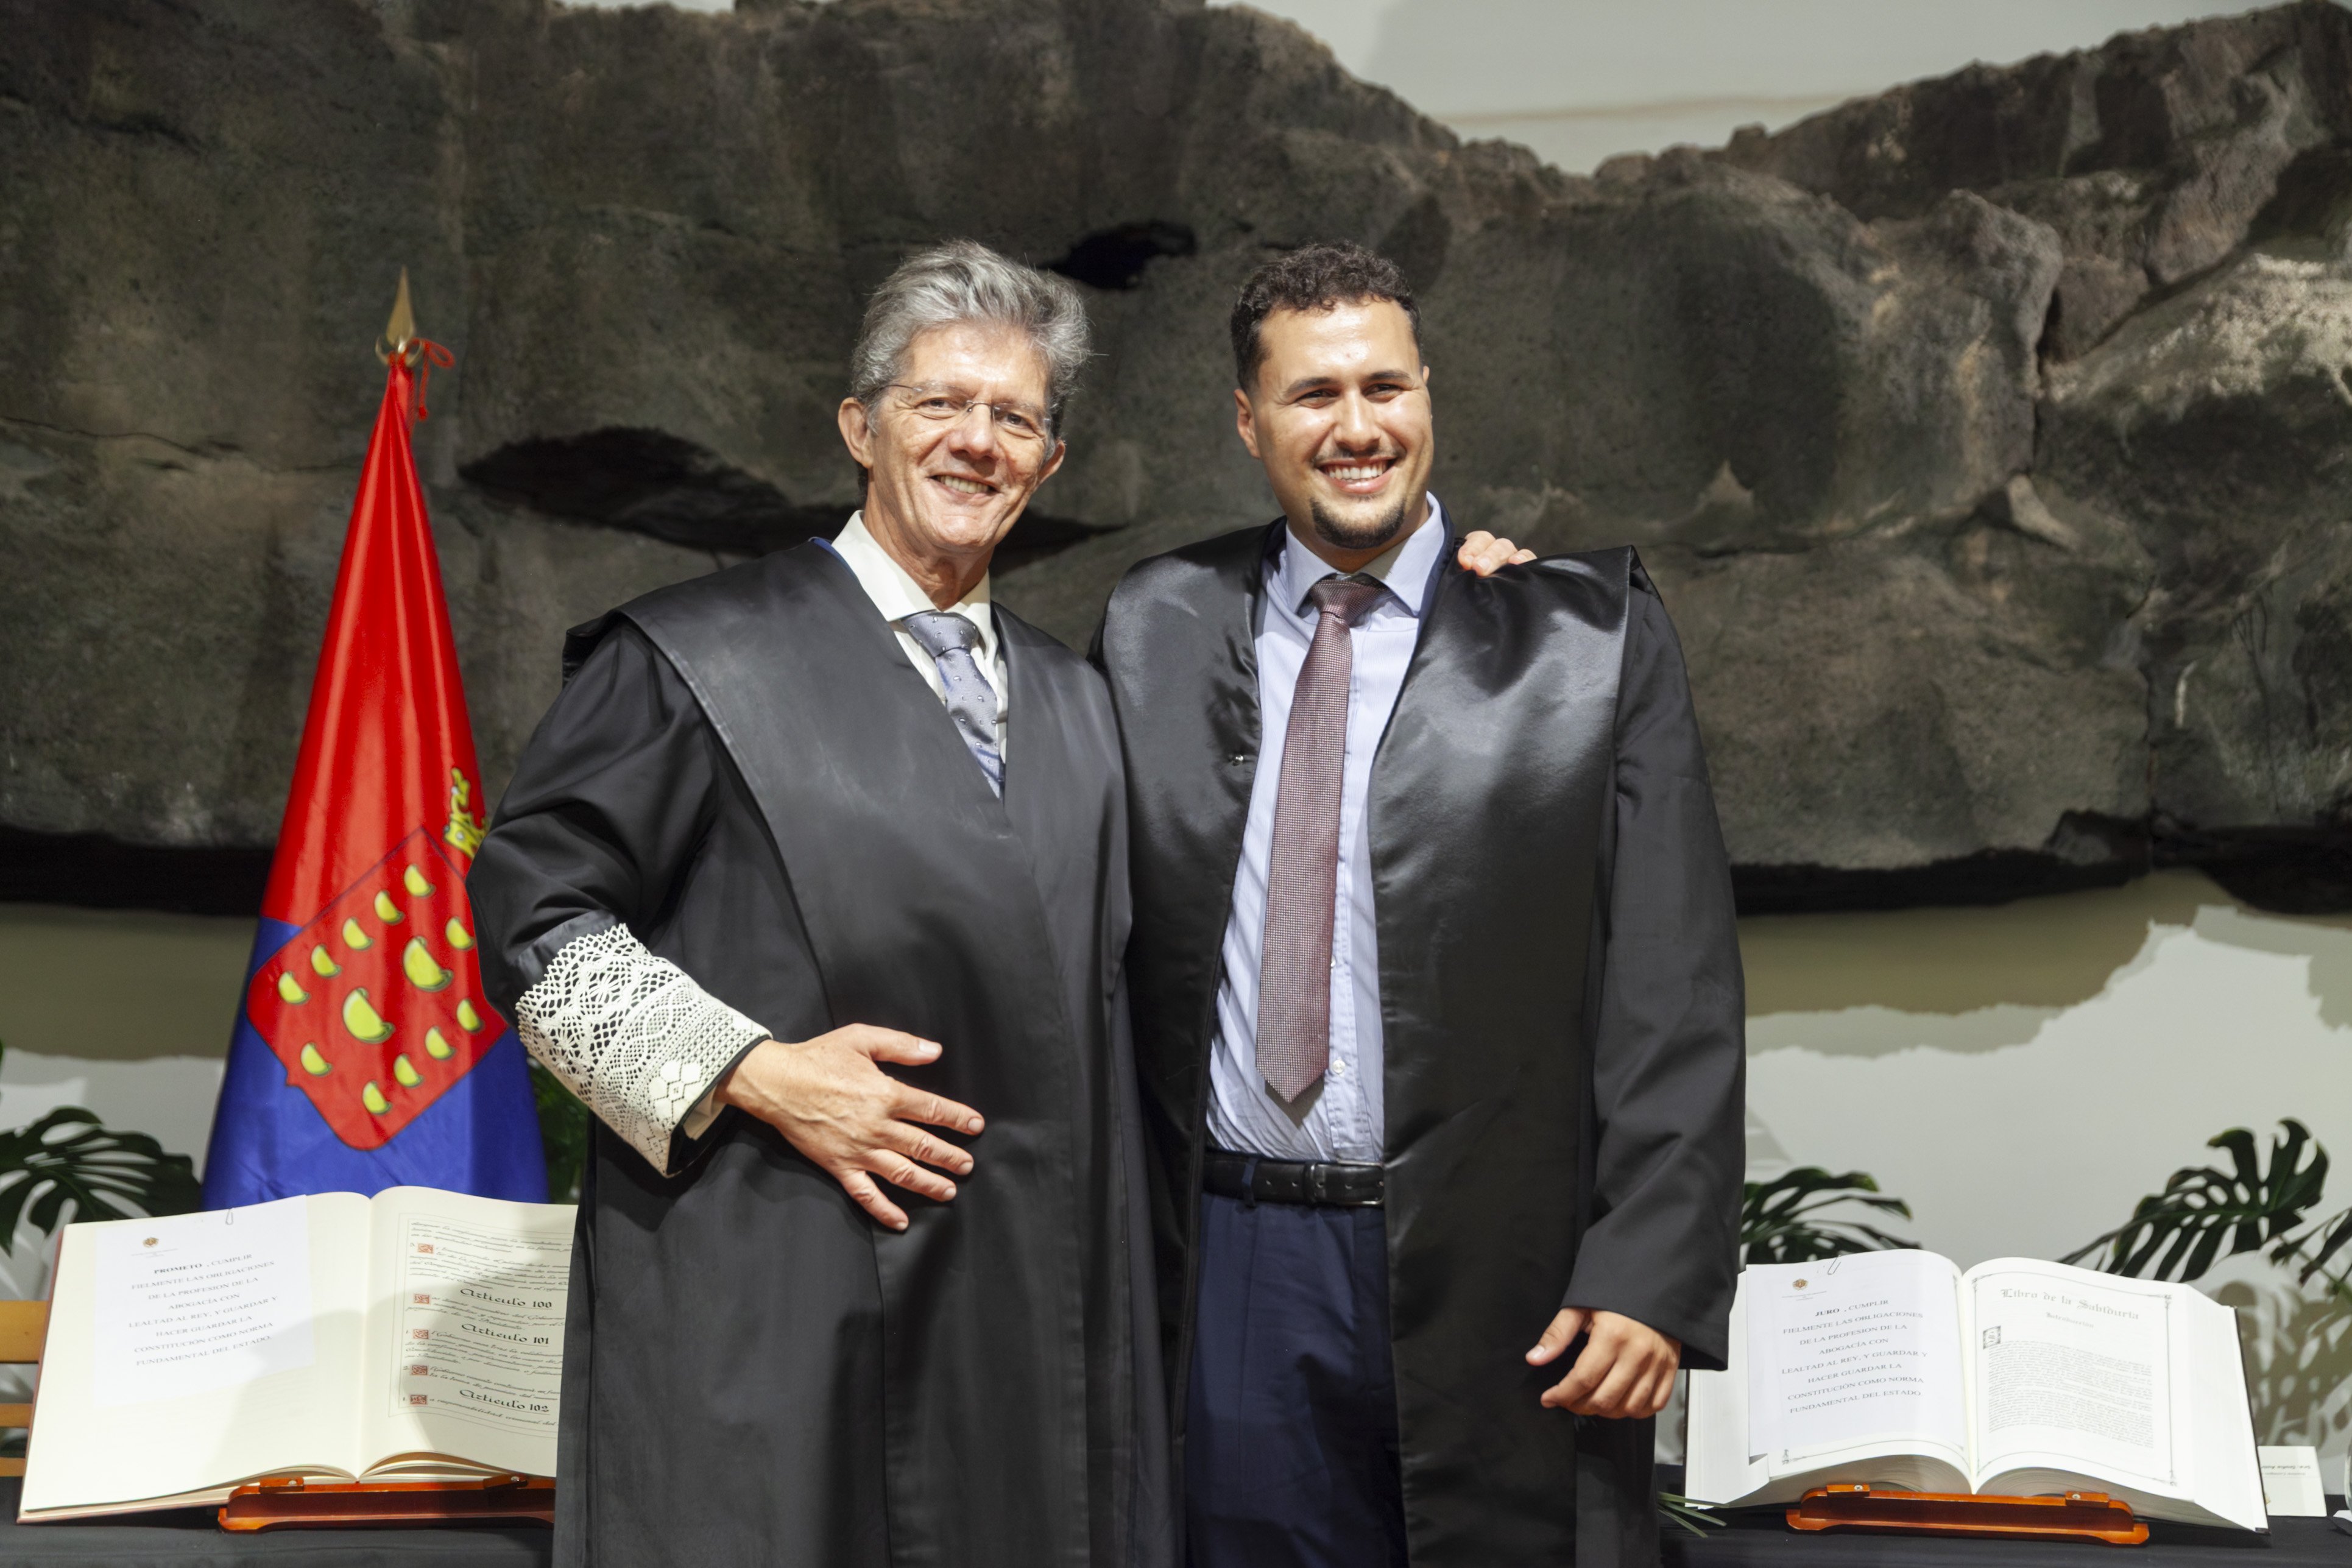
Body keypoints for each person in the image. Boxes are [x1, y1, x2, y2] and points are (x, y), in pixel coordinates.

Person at [470, 241, 1170, 1568]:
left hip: (1022, 1327)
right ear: (860, 427)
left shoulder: (1080, 706)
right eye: (938, 404)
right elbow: (532, 920)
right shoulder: (695, 656)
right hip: (773, 1290)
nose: (977, 442)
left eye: (1014, 418)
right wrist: (753, 1070)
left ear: (1050, 463)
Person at [1093, 242, 1746, 1567]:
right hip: (1228, 1256)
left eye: (1383, 387)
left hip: (1497, 1266)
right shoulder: (1150, 626)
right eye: (1312, 393)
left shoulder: (1582, 637)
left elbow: (1672, 979)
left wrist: (1648, 1271)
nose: (1356, 428)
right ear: (1247, 420)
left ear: (1427, 398)